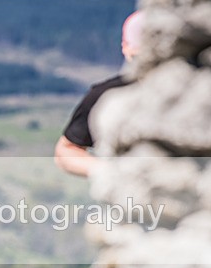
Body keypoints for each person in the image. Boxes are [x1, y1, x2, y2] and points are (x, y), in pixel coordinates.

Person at [54, 10, 145, 177]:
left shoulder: (105, 94)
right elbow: (66, 151)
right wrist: (112, 174)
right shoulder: (106, 95)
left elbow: (65, 152)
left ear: (125, 47)